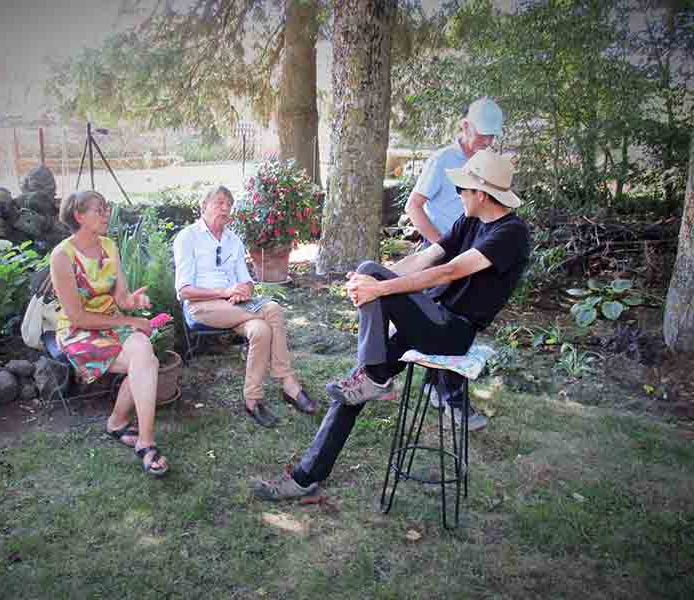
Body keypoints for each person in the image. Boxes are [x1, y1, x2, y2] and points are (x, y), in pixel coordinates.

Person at [253, 149, 530, 500]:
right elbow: (426, 257)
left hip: (451, 332)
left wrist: (379, 287)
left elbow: (449, 271)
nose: (459, 194)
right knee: (352, 386)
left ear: (482, 194)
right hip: (430, 319)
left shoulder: (511, 234)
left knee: (372, 278)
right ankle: (308, 476)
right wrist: (369, 285)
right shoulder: (470, 221)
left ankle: (371, 377)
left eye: (464, 189)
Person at [173, 185, 316, 428]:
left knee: (261, 330)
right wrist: (224, 292)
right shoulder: (188, 237)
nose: (225, 208)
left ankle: (252, 400)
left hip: (234, 306)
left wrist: (243, 292)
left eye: (229, 204)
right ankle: (288, 384)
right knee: (272, 310)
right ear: (203, 207)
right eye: (219, 202)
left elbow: (247, 282)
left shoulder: (233, 240)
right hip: (202, 306)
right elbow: (183, 291)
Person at [50, 190, 168, 478]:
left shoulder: (109, 246)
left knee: (144, 354)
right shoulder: (62, 256)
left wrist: (134, 303)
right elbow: (77, 316)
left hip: (112, 321)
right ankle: (135, 435)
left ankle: (135, 434)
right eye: (99, 210)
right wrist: (130, 320)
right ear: (79, 216)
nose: (106, 215)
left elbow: (121, 297)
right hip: (79, 331)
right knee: (146, 362)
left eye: (106, 209)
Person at [405, 96, 504, 247]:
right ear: (465, 126)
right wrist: (442, 247)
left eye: (492, 136)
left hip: (473, 250)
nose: (488, 141)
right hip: (441, 251)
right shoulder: (442, 160)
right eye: (483, 134)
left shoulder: (488, 160)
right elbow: (413, 206)